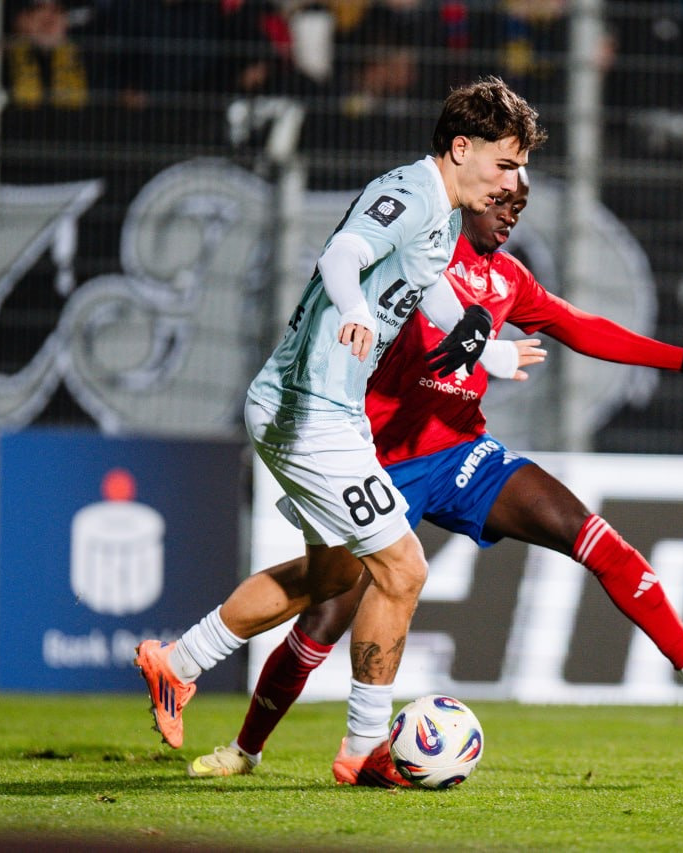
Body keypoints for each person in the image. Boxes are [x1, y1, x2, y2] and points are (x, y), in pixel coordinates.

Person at [183, 169, 683, 783]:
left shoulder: (509, 279)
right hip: (380, 462)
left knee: (589, 533)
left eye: (520, 205)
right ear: (467, 195)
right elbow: (358, 301)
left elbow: (583, 327)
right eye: (502, 200)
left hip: (462, 453)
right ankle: (246, 749)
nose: (510, 212)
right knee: (324, 616)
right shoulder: (419, 254)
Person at [132, 76, 547, 751]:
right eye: (505, 164)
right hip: (306, 409)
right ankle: (365, 748)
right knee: (404, 568)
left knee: (333, 575)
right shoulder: (410, 192)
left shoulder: (444, 213)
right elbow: (343, 254)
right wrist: (354, 308)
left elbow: (426, 288)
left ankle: (177, 663)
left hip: (333, 409)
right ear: (461, 148)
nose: (513, 181)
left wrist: (488, 350)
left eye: (520, 167)